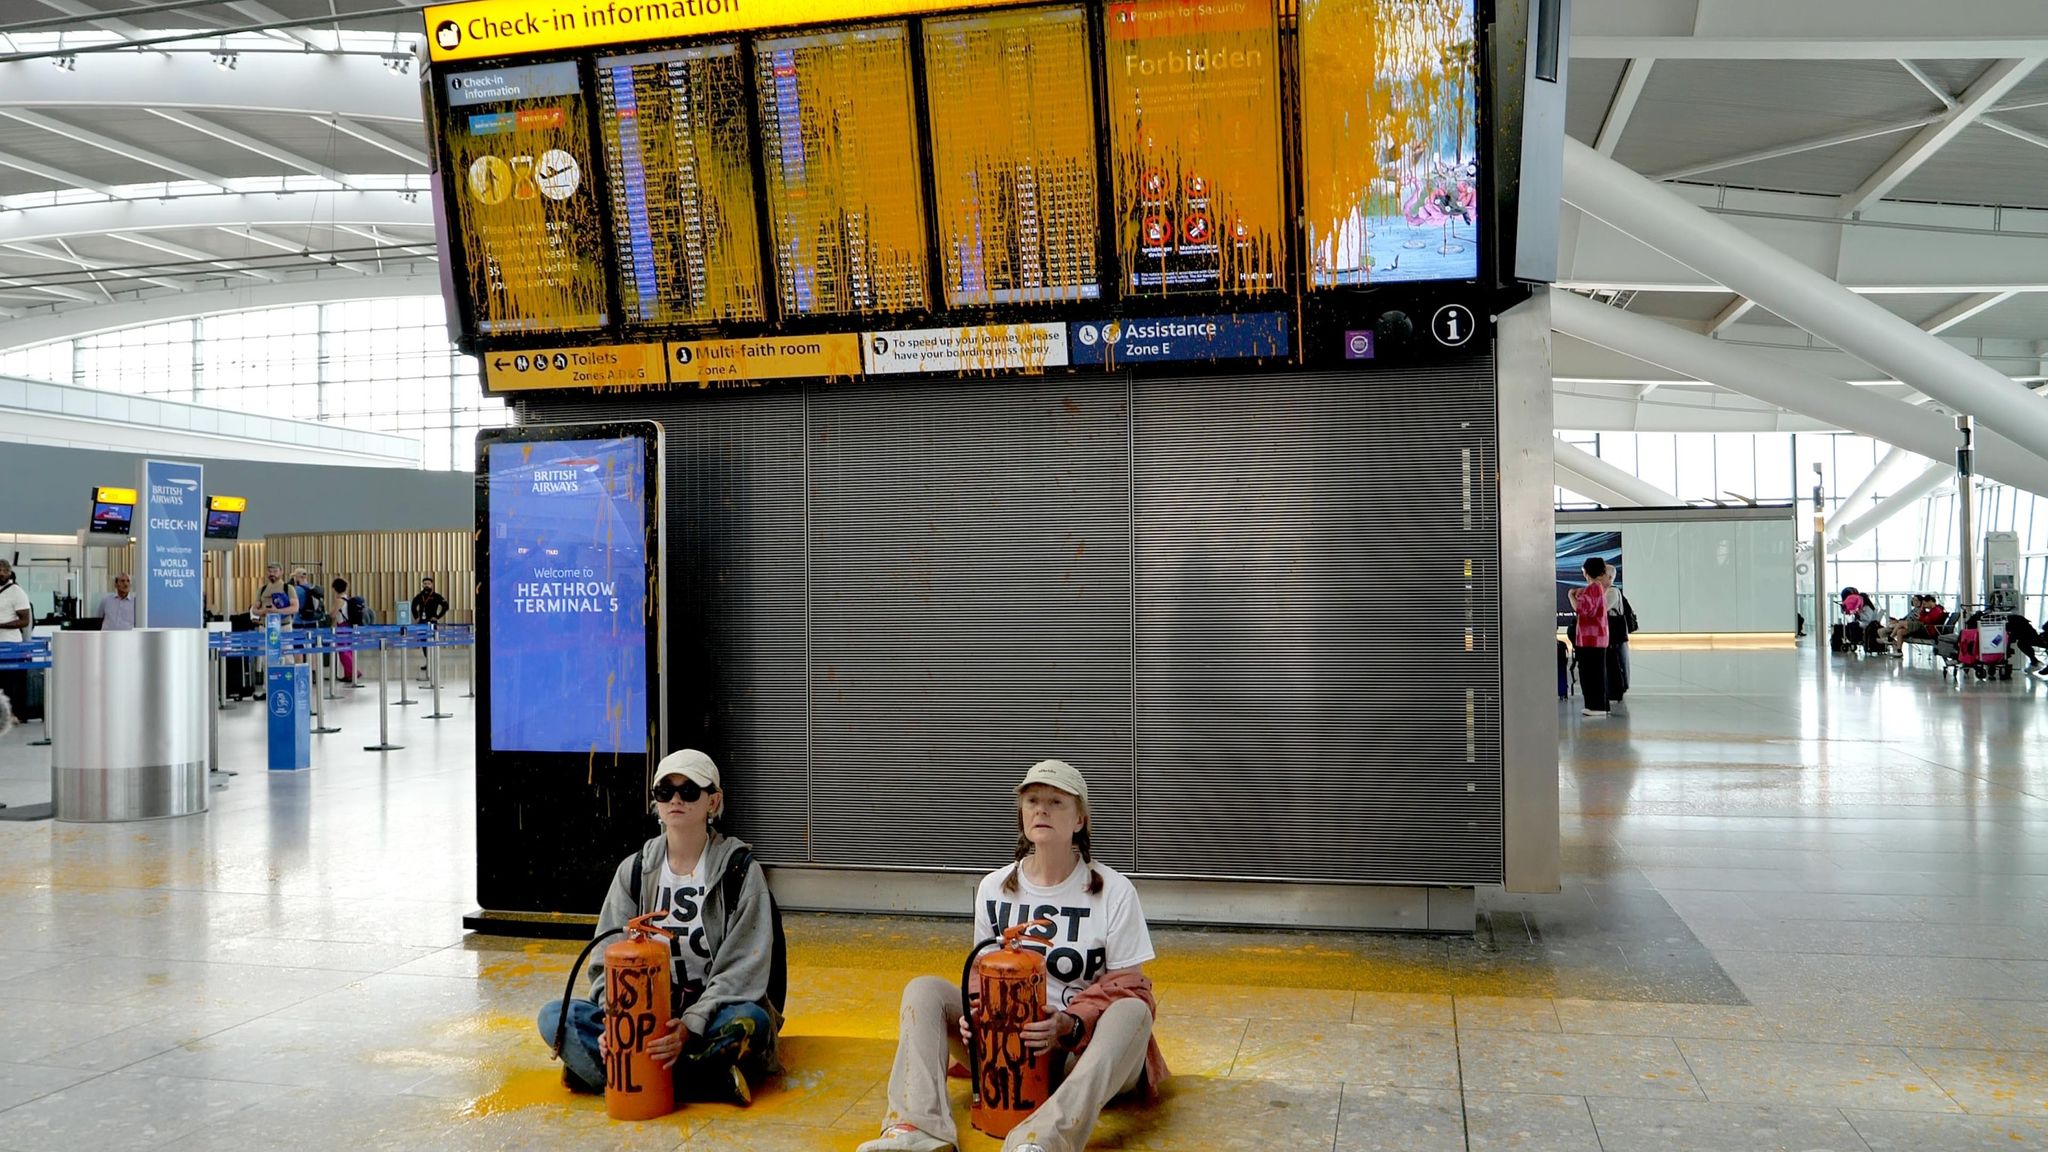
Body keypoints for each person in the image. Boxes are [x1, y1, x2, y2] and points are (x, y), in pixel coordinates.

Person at [858, 759, 1167, 1152]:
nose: (1041, 809)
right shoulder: (995, 888)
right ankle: (920, 1129)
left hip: (1080, 1057)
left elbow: (1129, 987)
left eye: (1056, 802)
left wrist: (1068, 1025)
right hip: (1004, 1052)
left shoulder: (1114, 891)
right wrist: (974, 1013)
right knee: (924, 992)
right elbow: (979, 973)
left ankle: (1043, 1139)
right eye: (1033, 800)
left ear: (1079, 820)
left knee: (1133, 1012)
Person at [537, 749, 779, 1104]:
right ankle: (702, 1079)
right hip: (642, 1019)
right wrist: (615, 1024)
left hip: (709, 1016)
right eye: (665, 792)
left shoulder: (740, 872)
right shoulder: (634, 870)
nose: (676, 800)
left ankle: (617, 1074)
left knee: (750, 1021)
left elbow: (743, 971)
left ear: (713, 801)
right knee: (554, 1017)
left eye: (689, 791)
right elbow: (606, 959)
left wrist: (688, 1026)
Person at [1573, 558, 1612, 718]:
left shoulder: (1592, 589)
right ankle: (1601, 705)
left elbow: (1582, 610)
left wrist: (1571, 597)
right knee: (1598, 673)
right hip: (1598, 638)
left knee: (1590, 674)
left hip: (1590, 639)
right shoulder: (1598, 588)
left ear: (1586, 571)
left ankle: (1595, 706)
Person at [0, 560, 30, 735]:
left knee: (9, 681)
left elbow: (24, 620)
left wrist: (1, 625)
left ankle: (14, 713)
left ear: (10, 573)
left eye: (4, 571)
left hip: (11, 644)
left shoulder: (17, 592)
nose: (1, 574)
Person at [411, 576, 449, 672]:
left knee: (433, 642)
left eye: (428, 583)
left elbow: (446, 606)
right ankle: (428, 661)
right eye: (425, 583)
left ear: (432, 585)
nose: (426, 585)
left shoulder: (436, 596)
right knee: (424, 643)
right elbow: (413, 606)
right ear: (422, 584)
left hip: (432, 622)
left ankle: (433, 662)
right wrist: (416, 617)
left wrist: (438, 616)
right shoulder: (420, 596)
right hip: (422, 623)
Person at [330, 577, 358, 684]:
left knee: (343, 651)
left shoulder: (339, 600)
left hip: (342, 626)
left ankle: (354, 672)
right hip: (349, 626)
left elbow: (332, 614)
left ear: (335, 589)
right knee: (348, 650)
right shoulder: (347, 598)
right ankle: (348, 674)